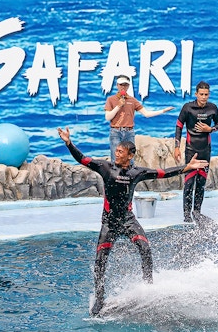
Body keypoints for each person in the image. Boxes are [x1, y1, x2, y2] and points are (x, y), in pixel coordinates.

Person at [57, 126, 208, 316]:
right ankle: (100, 297)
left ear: (130, 155)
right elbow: (82, 159)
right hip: (109, 223)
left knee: (145, 249)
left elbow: (162, 173)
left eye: (120, 151)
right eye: (116, 150)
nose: (116, 153)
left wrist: (186, 168)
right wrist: (69, 143)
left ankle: (148, 287)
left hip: (128, 220)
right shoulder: (105, 168)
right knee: (100, 261)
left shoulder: (137, 173)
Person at [173, 80, 218, 223]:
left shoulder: (212, 108)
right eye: (201, 94)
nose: (204, 97)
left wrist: (210, 129)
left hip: (205, 151)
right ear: (196, 94)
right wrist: (177, 147)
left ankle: (197, 212)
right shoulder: (188, 108)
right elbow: (178, 126)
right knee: (189, 183)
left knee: (201, 184)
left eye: (206, 94)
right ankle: (187, 215)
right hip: (190, 150)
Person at [105, 75, 174, 161]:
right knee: (116, 158)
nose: (123, 87)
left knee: (130, 158)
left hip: (129, 132)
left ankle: (130, 174)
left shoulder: (132, 100)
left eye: (125, 85)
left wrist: (163, 111)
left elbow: (146, 114)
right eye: (121, 84)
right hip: (115, 131)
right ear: (117, 85)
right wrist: (118, 106)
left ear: (129, 86)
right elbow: (108, 117)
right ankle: (116, 174)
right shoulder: (111, 99)